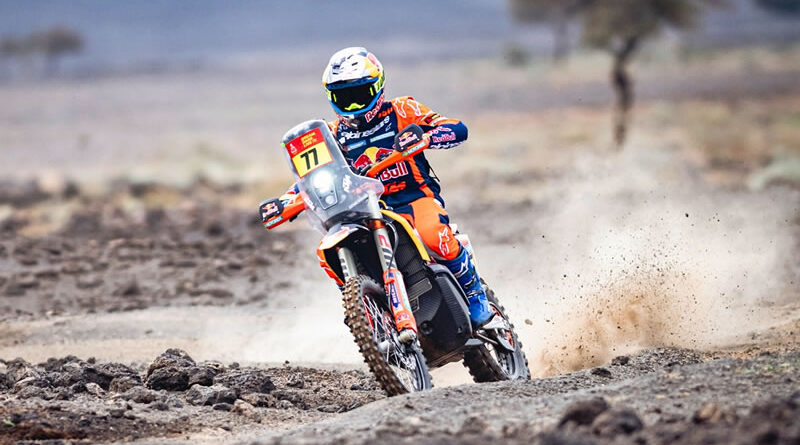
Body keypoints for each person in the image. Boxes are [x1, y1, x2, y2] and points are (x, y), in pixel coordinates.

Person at [271, 47, 494, 328]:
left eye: (359, 94)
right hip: (363, 210)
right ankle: (364, 310)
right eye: (344, 97)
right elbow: (313, 175)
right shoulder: (332, 135)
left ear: (378, 87)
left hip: (413, 198)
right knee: (327, 254)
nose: (353, 104)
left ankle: (475, 294)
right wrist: (286, 200)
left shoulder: (403, 110)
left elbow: (456, 128)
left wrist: (426, 137)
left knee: (432, 234)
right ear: (331, 97)